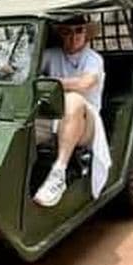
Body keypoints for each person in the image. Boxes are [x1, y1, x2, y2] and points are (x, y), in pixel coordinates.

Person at [33, 15, 111, 207]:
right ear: (60, 33)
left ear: (86, 33)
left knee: (73, 100)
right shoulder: (51, 55)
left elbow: (85, 84)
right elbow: (27, 72)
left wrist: (51, 82)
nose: (74, 36)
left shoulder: (93, 59)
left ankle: (59, 171)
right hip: (52, 116)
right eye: (68, 31)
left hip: (86, 120)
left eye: (79, 30)